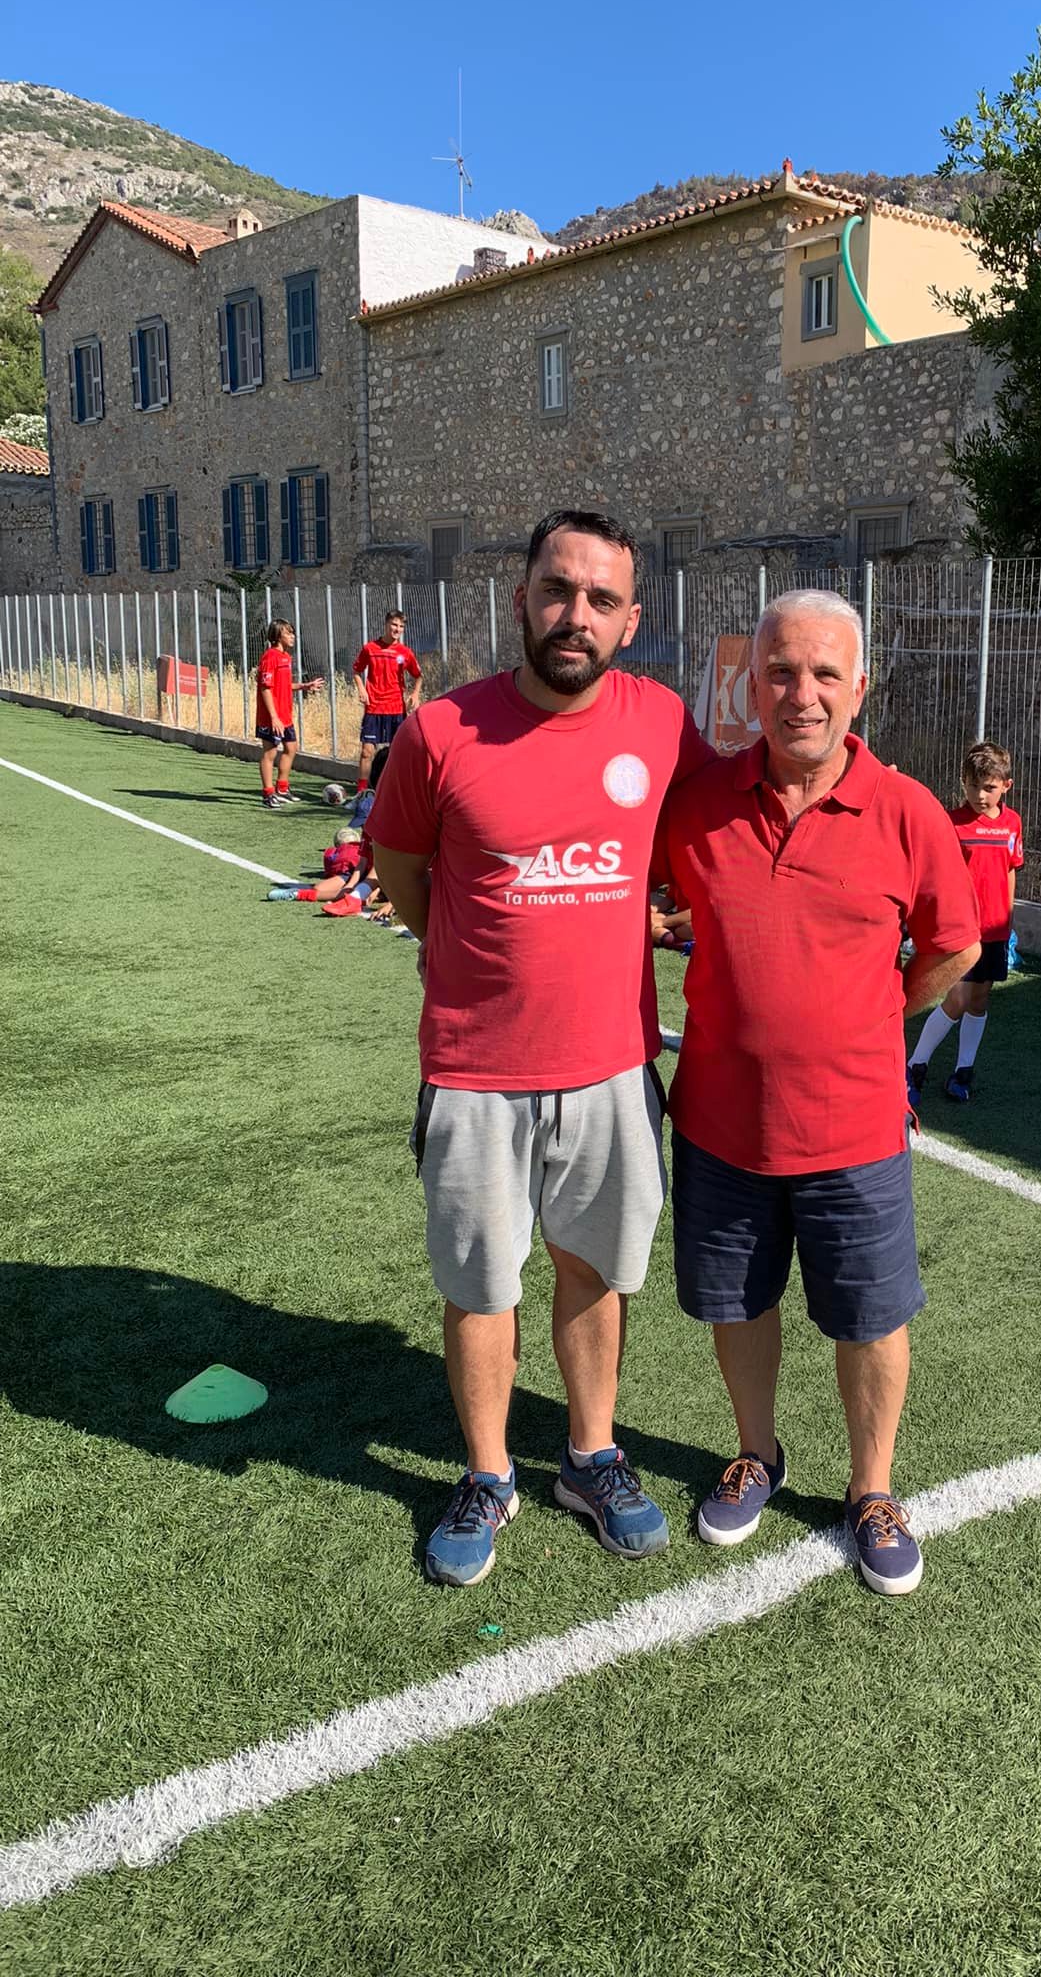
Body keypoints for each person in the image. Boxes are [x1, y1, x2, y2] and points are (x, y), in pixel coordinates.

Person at [368, 510, 713, 1588]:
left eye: (602, 599)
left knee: (594, 1270)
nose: (577, 615)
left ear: (631, 621)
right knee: (481, 1284)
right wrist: (463, 958)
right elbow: (400, 869)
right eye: (559, 590)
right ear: (521, 598)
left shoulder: (661, 722)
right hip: (475, 1070)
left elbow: (709, 836)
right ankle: (487, 1473)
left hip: (611, 1064)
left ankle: (590, 1455)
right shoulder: (440, 731)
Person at [654, 590, 980, 1598]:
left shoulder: (908, 810)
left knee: (870, 1317)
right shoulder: (698, 804)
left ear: (859, 687)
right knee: (738, 1301)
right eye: (781, 673)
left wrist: (876, 1016)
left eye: (824, 674)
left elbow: (956, 944)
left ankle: (872, 1489)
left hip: (856, 1126)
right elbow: (638, 897)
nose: (802, 694)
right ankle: (757, 1452)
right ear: (752, 687)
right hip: (720, 1123)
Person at [905, 739, 1024, 1105]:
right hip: (961, 930)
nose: (980, 795)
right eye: (973, 786)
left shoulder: (1012, 824)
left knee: (979, 998)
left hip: (995, 931)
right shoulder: (951, 823)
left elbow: (1010, 870)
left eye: (989, 787)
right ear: (963, 783)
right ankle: (915, 1066)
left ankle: (963, 1071)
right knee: (957, 997)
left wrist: (1007, 919)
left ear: (1006, 786)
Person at [352, 612, 422, 797]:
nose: (397, 629)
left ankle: (394, 790)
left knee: (397, 752)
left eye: (401, 626)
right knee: (367, 751)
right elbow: (357, 671)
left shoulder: (405, 653)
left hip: (396, 709)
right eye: (394, 625)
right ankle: (362, 793)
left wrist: (415, 694)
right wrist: (362, 689)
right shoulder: (370, 648)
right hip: (374, 708)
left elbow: (418, 676)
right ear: (386, 624)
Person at [255, 620, 322, 809]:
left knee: (291, 748)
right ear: (278, 636)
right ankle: (268, 794)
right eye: (288, 633)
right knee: (270, 752)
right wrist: (273, 717)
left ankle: (282, 789)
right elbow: (265, 688)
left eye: (293, 633)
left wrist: (304, 686)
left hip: (285, 716)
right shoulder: (270, 657)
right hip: (271, 717)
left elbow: (283, 685)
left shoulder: (286, 657)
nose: (292, 636)